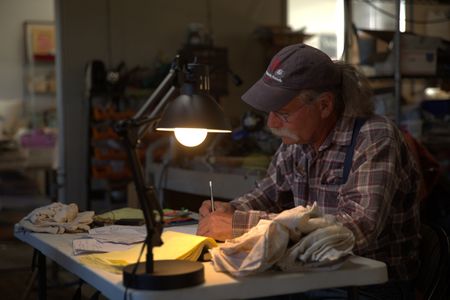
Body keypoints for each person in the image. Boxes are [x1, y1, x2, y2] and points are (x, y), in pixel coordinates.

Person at [197, 43, 421, 300]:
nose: (271, 123)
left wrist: (239, 224)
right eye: (271, 111)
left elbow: (355, 230)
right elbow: (266, 195)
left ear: (324, 105)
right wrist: (230, 210)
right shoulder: (297, 141)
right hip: (311, 276)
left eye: (282, 113)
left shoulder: (373, 136)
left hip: (369, 285)